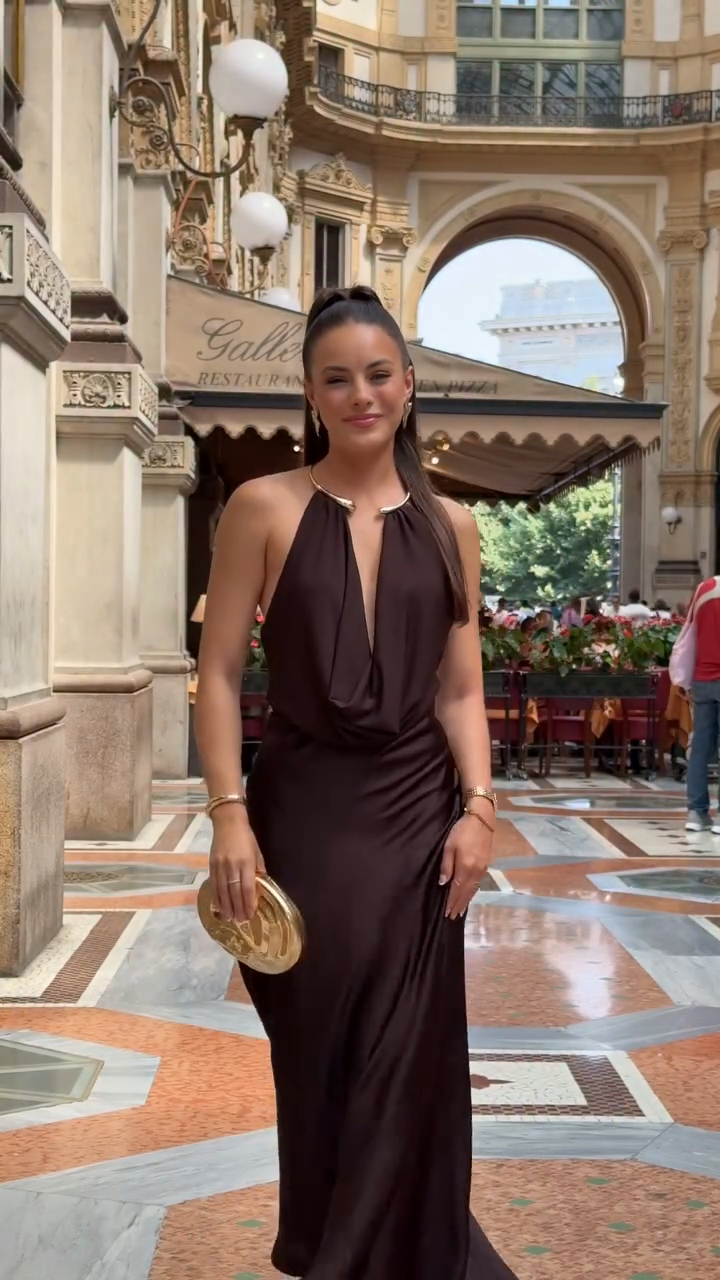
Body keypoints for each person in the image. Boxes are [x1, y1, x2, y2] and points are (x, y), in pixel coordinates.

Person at [195, 285, 518, 1280]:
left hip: (420, 821)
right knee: (319, 1051)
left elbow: (459, 688)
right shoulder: (263, 508)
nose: (361, 394)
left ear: (409, 386)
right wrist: (229, 816)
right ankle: (332, 1243)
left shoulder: (453, 524)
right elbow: (217, 673)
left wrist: (479, 807)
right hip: (303, 821)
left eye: (379, 374)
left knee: (408, 1055)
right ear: (311, 393)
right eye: (337, 379)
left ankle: (385, 1257)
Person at [683, 574, 720, 833]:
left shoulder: (704, 588)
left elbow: (689, 632)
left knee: (699, 748)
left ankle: (696, 814)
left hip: (703, 678)